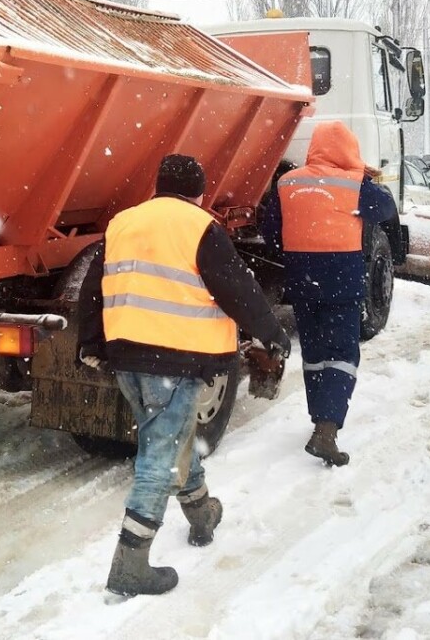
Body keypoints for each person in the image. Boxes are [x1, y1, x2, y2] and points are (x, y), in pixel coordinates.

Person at [77, 154, 291, 597]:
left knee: (169, 437)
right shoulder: (199, 226)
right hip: (174, 358)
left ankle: (201, 513)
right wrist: (271, 333)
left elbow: (91, 287)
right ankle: (129, 565)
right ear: (199, 192)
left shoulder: (123, 223)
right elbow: (236, 288)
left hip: (126, 359)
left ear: (158, 187)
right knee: (158, 458)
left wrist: (92, 345)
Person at [260, 122, 397, 467]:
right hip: (342, 281)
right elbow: (387, 209)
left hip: (302, 281)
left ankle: (319, 415)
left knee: (315, 351)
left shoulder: (287, 183)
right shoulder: (357, 185)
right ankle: (327, 428)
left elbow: (270, 228)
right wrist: (359, 173)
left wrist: (295, 250)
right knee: (341, 353)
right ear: (349, 151)